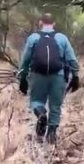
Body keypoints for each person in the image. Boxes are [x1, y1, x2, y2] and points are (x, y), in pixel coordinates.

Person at [18, 13, 80, 144]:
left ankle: (40, 113)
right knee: (55, 106)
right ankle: (51, 135)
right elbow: (72, 60)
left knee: (36, 100)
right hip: (58, 76)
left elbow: (25, 60)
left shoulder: (33, 38)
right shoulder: (61, 38)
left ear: (41, 23)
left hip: (37, 75)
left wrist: (22, 77)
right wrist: (75, 76)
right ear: (54, 24)